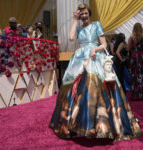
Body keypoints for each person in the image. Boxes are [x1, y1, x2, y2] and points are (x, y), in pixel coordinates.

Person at [49, 3, 141, 141]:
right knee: (73, 87)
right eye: (82, 14)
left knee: (94, 84)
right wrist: (74, 21)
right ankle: (74, 122)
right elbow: (71, 38)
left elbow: (103, 44)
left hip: (95, 56)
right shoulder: (78, 27)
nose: (84, 16)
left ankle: (100, 123)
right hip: (80, 58)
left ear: (89, 14)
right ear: (79, 16)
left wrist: (95, 49)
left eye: (86, 13)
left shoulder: (97, 25)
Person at [128, 22, 143, 100]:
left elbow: (129, 49)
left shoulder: (131, 38)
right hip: (141, 59)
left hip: (134, 60)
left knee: (134, 77)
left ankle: (135, 95)